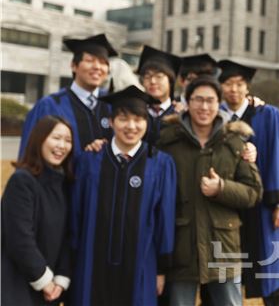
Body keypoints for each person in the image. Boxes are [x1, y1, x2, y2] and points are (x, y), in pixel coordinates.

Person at [157, 75, 263, 306]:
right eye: (198, 100)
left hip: (223, 246)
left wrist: (222, 188)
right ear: (187, 102)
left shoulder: (234, 142)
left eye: (210, 100)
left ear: (219, 103)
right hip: (180, 247)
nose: (204, 107)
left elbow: (254, 192)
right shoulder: (168, 142)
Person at [70, 85, 177, 306]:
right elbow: (76, 215)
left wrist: (162, 269)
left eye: (138, 119)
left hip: (142, 265)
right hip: (91, 264)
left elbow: (164, 221)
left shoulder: (161, 164)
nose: (131, 126)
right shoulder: (89, 161)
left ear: (147, 123)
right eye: (123, 119)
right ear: (111, 122)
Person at [218, 60, 279, 306]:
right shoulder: (215, 116)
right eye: (228, 84)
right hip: (226, 205)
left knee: (269, 271)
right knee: (223, 275)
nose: (233, 89)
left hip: (264, 206)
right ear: (221, 87)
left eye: (239, 84)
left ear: (247, 87)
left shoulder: (268, 115)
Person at [2, 116, 74, 305]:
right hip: (17, 286)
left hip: (47, 292)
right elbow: (20, 239)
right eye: (56, 138)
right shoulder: (22, 182)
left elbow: (67, 237)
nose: (62, 145)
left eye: (68, 141)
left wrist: (60, 279)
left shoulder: (63, 185)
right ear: (39, 139)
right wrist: (44, 280)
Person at [19, 34, 117, 158]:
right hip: (60, 177)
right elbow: (28, 153)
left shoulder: (113, 104)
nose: (97, 67)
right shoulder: (50, 105)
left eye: (103, 62)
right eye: (90, 60)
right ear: (74, 66)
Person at [137, 45, 182, 144]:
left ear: (170, 81)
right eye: (147, 76)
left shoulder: (180, 115)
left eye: (159, 76)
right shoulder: (136, 111)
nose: (152, 81)